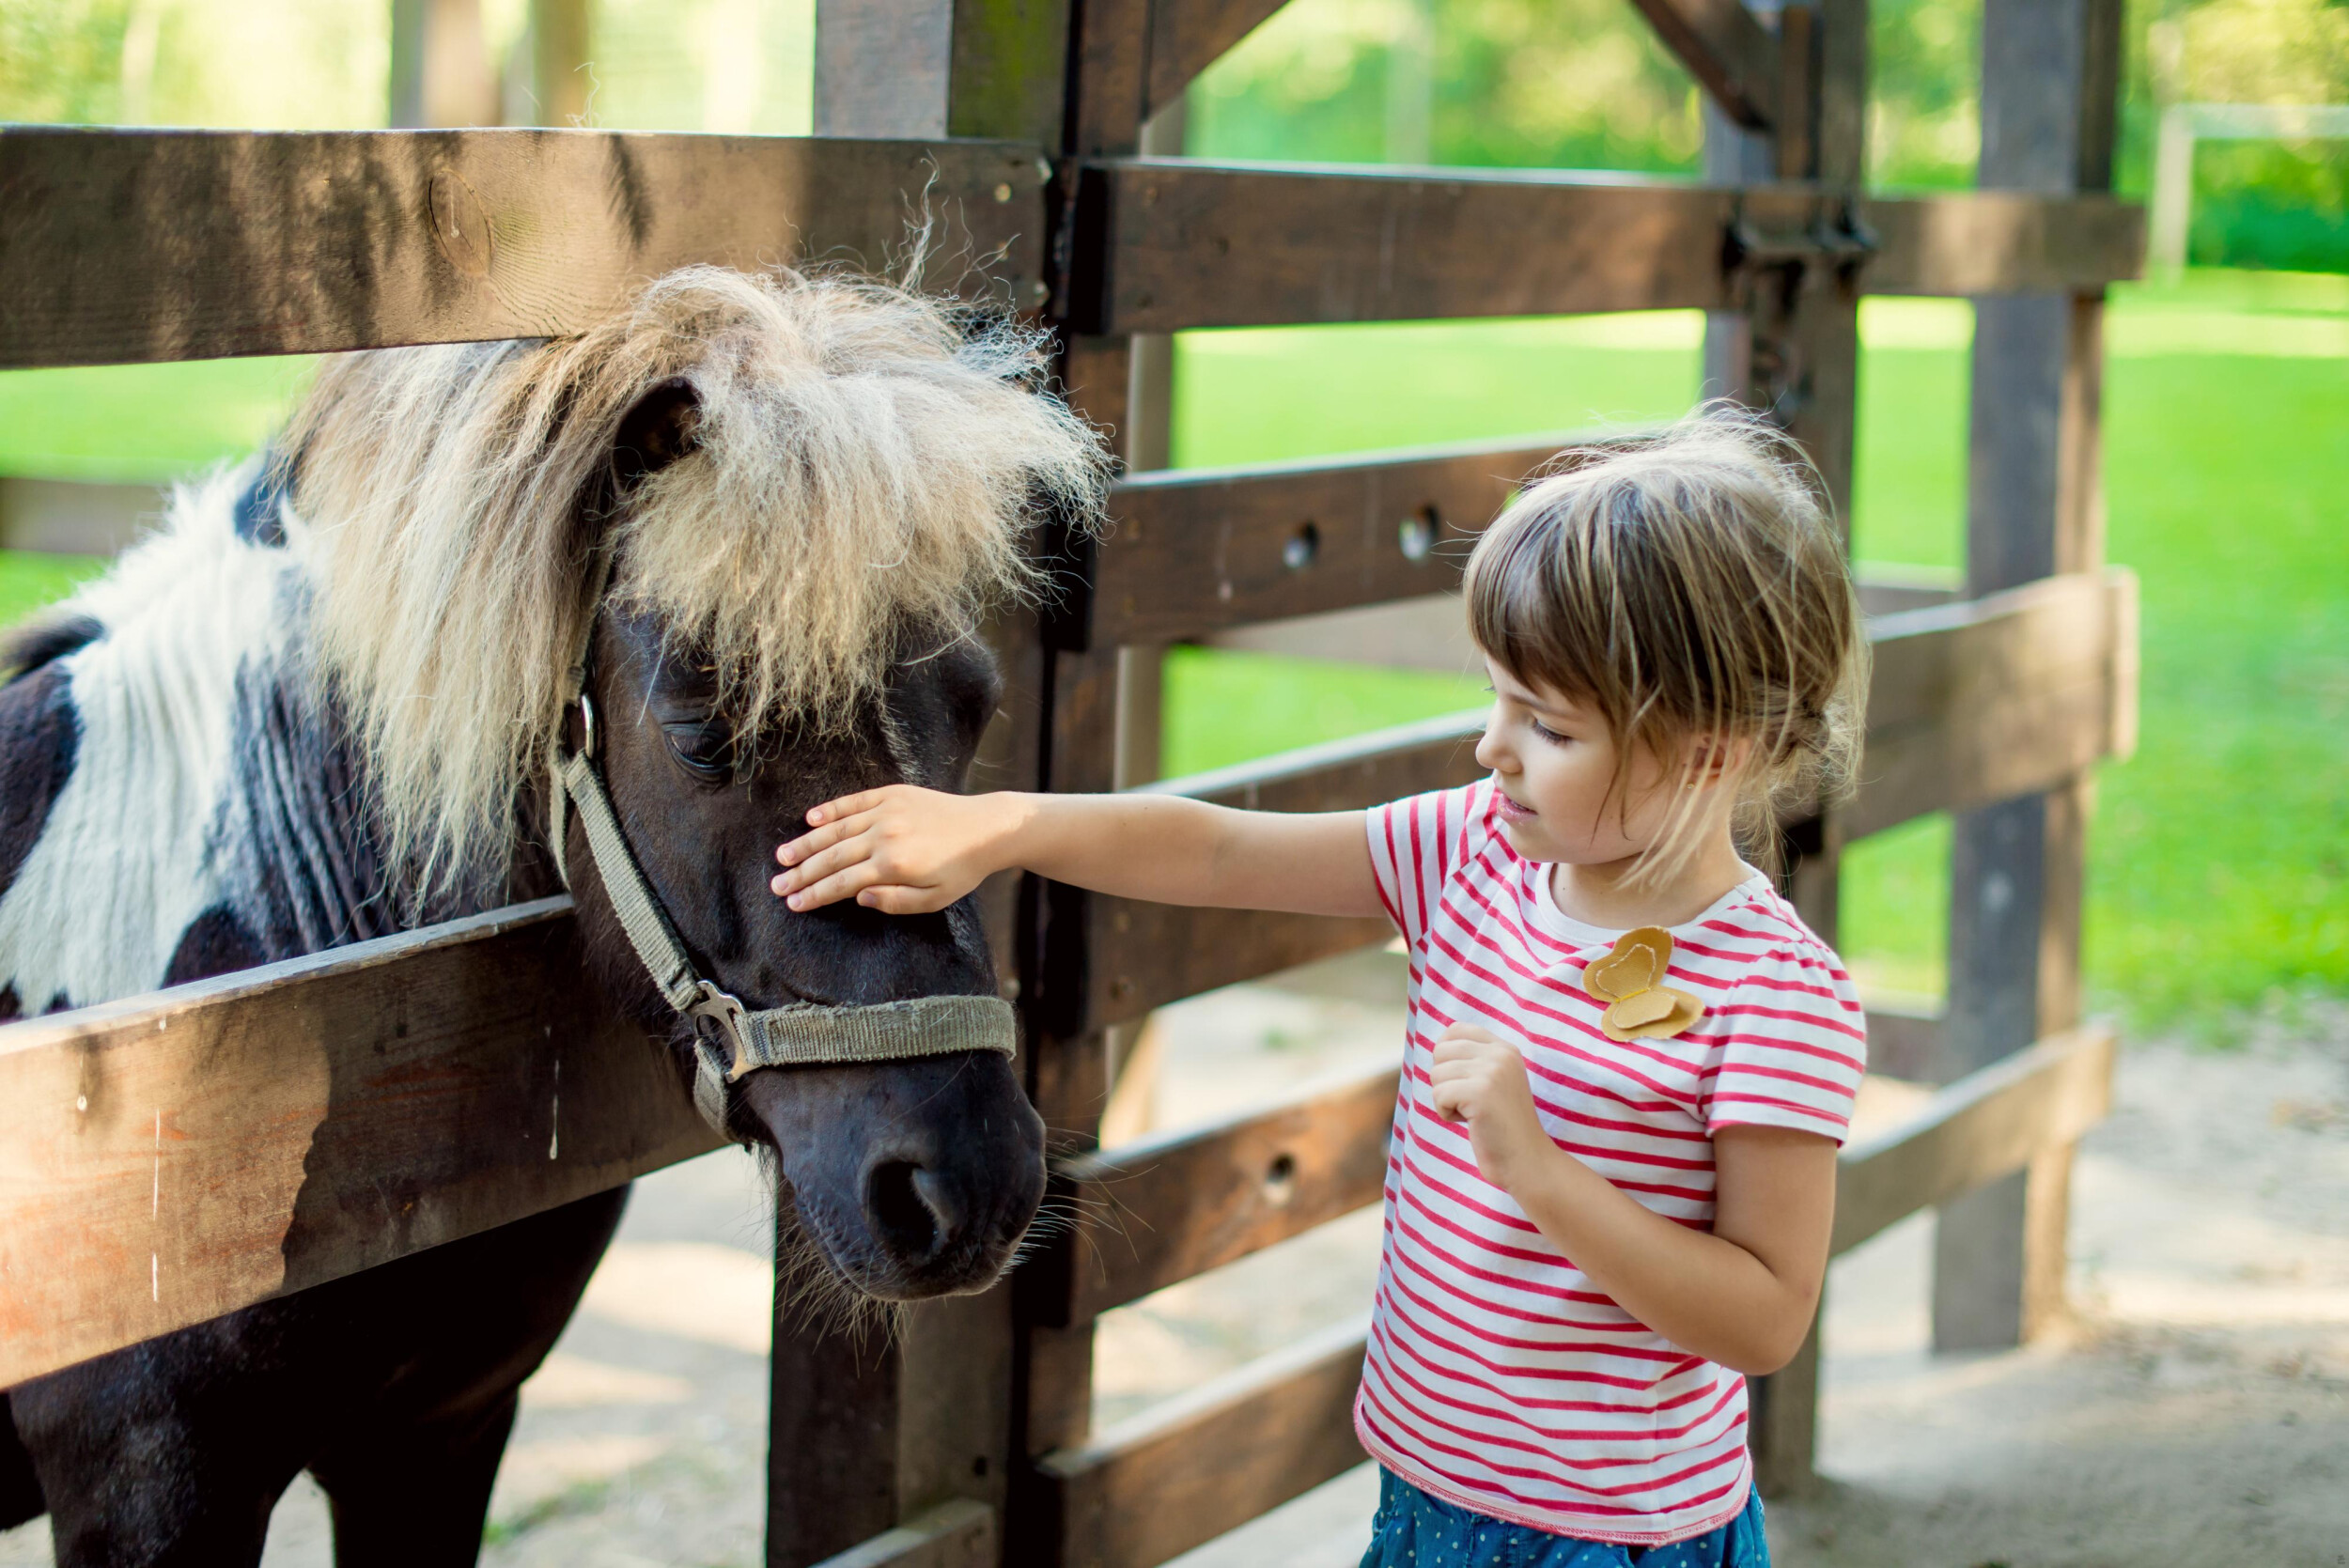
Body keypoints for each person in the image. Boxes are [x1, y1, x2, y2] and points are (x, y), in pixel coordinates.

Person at [770, 408, 1870, 1566]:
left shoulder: (1772, 997)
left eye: (1547, 724)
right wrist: (1002, 825)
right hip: (1427, 1487)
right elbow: (1221, 852)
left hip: (1612, 1538)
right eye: (1495, 697)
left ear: (1711, 750)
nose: (1493, 747)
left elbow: (1763, 1316)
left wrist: (1536, 1169)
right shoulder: (1473, 858)